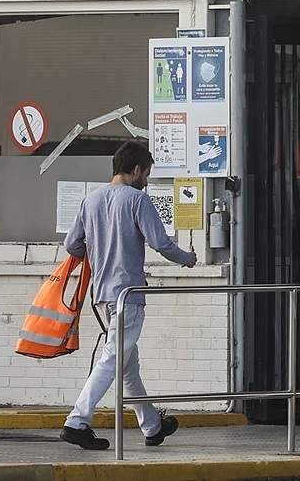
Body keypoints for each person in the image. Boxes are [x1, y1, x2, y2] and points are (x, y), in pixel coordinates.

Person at [59, 141, 196, 451]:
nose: (146, 180)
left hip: (102, 294)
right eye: (145, 174)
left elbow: (72, 244)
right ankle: (77, 421)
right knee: (113, 359)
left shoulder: (90, 200)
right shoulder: (137, 201)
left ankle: (152, 425)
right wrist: (187, 258)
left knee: (127, 365)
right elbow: (160, 243)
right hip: (128, 294)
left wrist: (97, 252)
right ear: (136, 170)